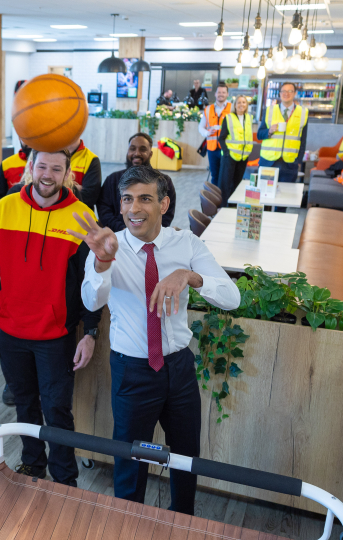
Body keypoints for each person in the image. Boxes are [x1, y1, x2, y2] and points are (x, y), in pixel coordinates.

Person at [73, 165, 240, 514]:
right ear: (119, 206)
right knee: (130, 463)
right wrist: (102, 263)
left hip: (179, 369)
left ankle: (183, 524)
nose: (135, 208)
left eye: (145, 199)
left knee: (185, 459)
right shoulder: (108, 247)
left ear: (163, 205)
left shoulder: (187, 244)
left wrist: (190, 276)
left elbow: (231, 297)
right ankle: (129, 528)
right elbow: (91, 300)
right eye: (128, 199)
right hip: (132, 372)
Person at [0, 148, 102, 485]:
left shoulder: (82, 216)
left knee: (58, 411)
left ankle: (64, 476)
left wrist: (90, 331)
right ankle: (32, 462)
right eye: (41, 166)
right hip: (12, 331)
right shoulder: (4, 209)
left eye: (56, 169)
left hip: (56, 335)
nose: (47, 174)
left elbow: (91, 281)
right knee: (25, 405)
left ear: (67, 174)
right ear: (30, 167)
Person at [97, 133, 177, 232]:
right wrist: (124, 230)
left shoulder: (164, 182)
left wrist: (145, 233)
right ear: (128, 151)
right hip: (116, 236)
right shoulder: (112, 180)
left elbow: (166, 216)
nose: (137, 153)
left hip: (150, 237)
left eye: (142, 149)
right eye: (132, 149)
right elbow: (104, 211)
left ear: (150, 154)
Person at [258, 82, 308, 185]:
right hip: (268, 161)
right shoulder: (269, 110)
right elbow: (259, 134)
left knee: (286, 196)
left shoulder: (303, 112)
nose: (286, 93)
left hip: (290, 163)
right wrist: (269, 131)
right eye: (284, 91)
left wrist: (298, 161)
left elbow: (303, 140)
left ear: (295, 93)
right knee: (266, 194)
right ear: (280, 93)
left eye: (290, 91)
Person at [217, 96, 254, 207]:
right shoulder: (228, 118)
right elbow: (221, 138)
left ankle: (233, 206)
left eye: (244, 102)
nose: (241, 104)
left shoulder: (249, 118)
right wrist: (227, 152)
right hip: (230, 156)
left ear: (246, 105)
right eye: (239, 102)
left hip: (243, 157)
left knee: (237, 184)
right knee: (225, 184)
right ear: (235, 105)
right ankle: (222, 207)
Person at [198, 83, 231, 189]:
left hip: (227, 148)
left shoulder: (232, 108)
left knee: (226, 175)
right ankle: (215, 200)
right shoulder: (208, 109)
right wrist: (207, 133)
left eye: (223, 92)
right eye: (219, 92)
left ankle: (225, 200)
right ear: (215, 94)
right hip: (212, 149)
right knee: (215, 176)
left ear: (227, 94)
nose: (221, 94)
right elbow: (201, 127)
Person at [65, 138, 103, 209]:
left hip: (80, 216)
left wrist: (60, 188)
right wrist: (75, 188)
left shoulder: (92, 159)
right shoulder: (50, 154)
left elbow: (90, 198)